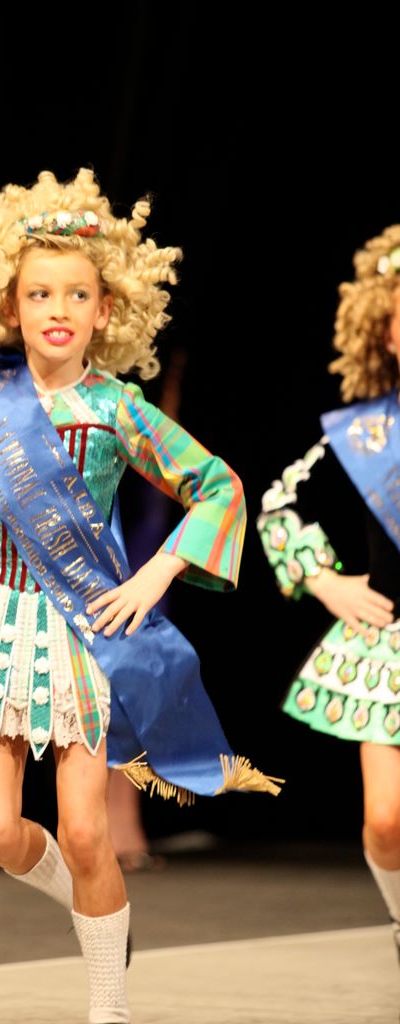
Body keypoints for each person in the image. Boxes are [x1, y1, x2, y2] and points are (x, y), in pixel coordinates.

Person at [0, 168, 279, 1024]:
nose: (57, 309)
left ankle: (107, 1006)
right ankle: (81, 901)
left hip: (83, 629)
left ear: (106, 310)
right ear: (9, 308)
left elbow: (218, 486)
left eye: (76, 294)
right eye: (39, 293)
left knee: (88, 832)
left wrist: (155, 573)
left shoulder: (119, 408)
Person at [257, 225, 400, 961]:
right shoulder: (367, 433)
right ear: (385, 332)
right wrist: (323, 579)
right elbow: (276, 504)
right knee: (386, 821)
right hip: (390, 647)